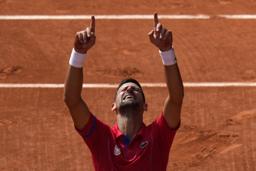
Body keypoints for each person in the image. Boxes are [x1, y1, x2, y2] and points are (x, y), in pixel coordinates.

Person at [64, 13, 184, 171]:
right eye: (123, 89)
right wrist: (78, 53)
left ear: (145, 106)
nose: (129, 88)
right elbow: (72, 100)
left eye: (135, 89)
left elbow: (176, 99)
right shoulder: (101, 137)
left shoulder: (158, 135)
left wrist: (167, 51)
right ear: (113, 106)